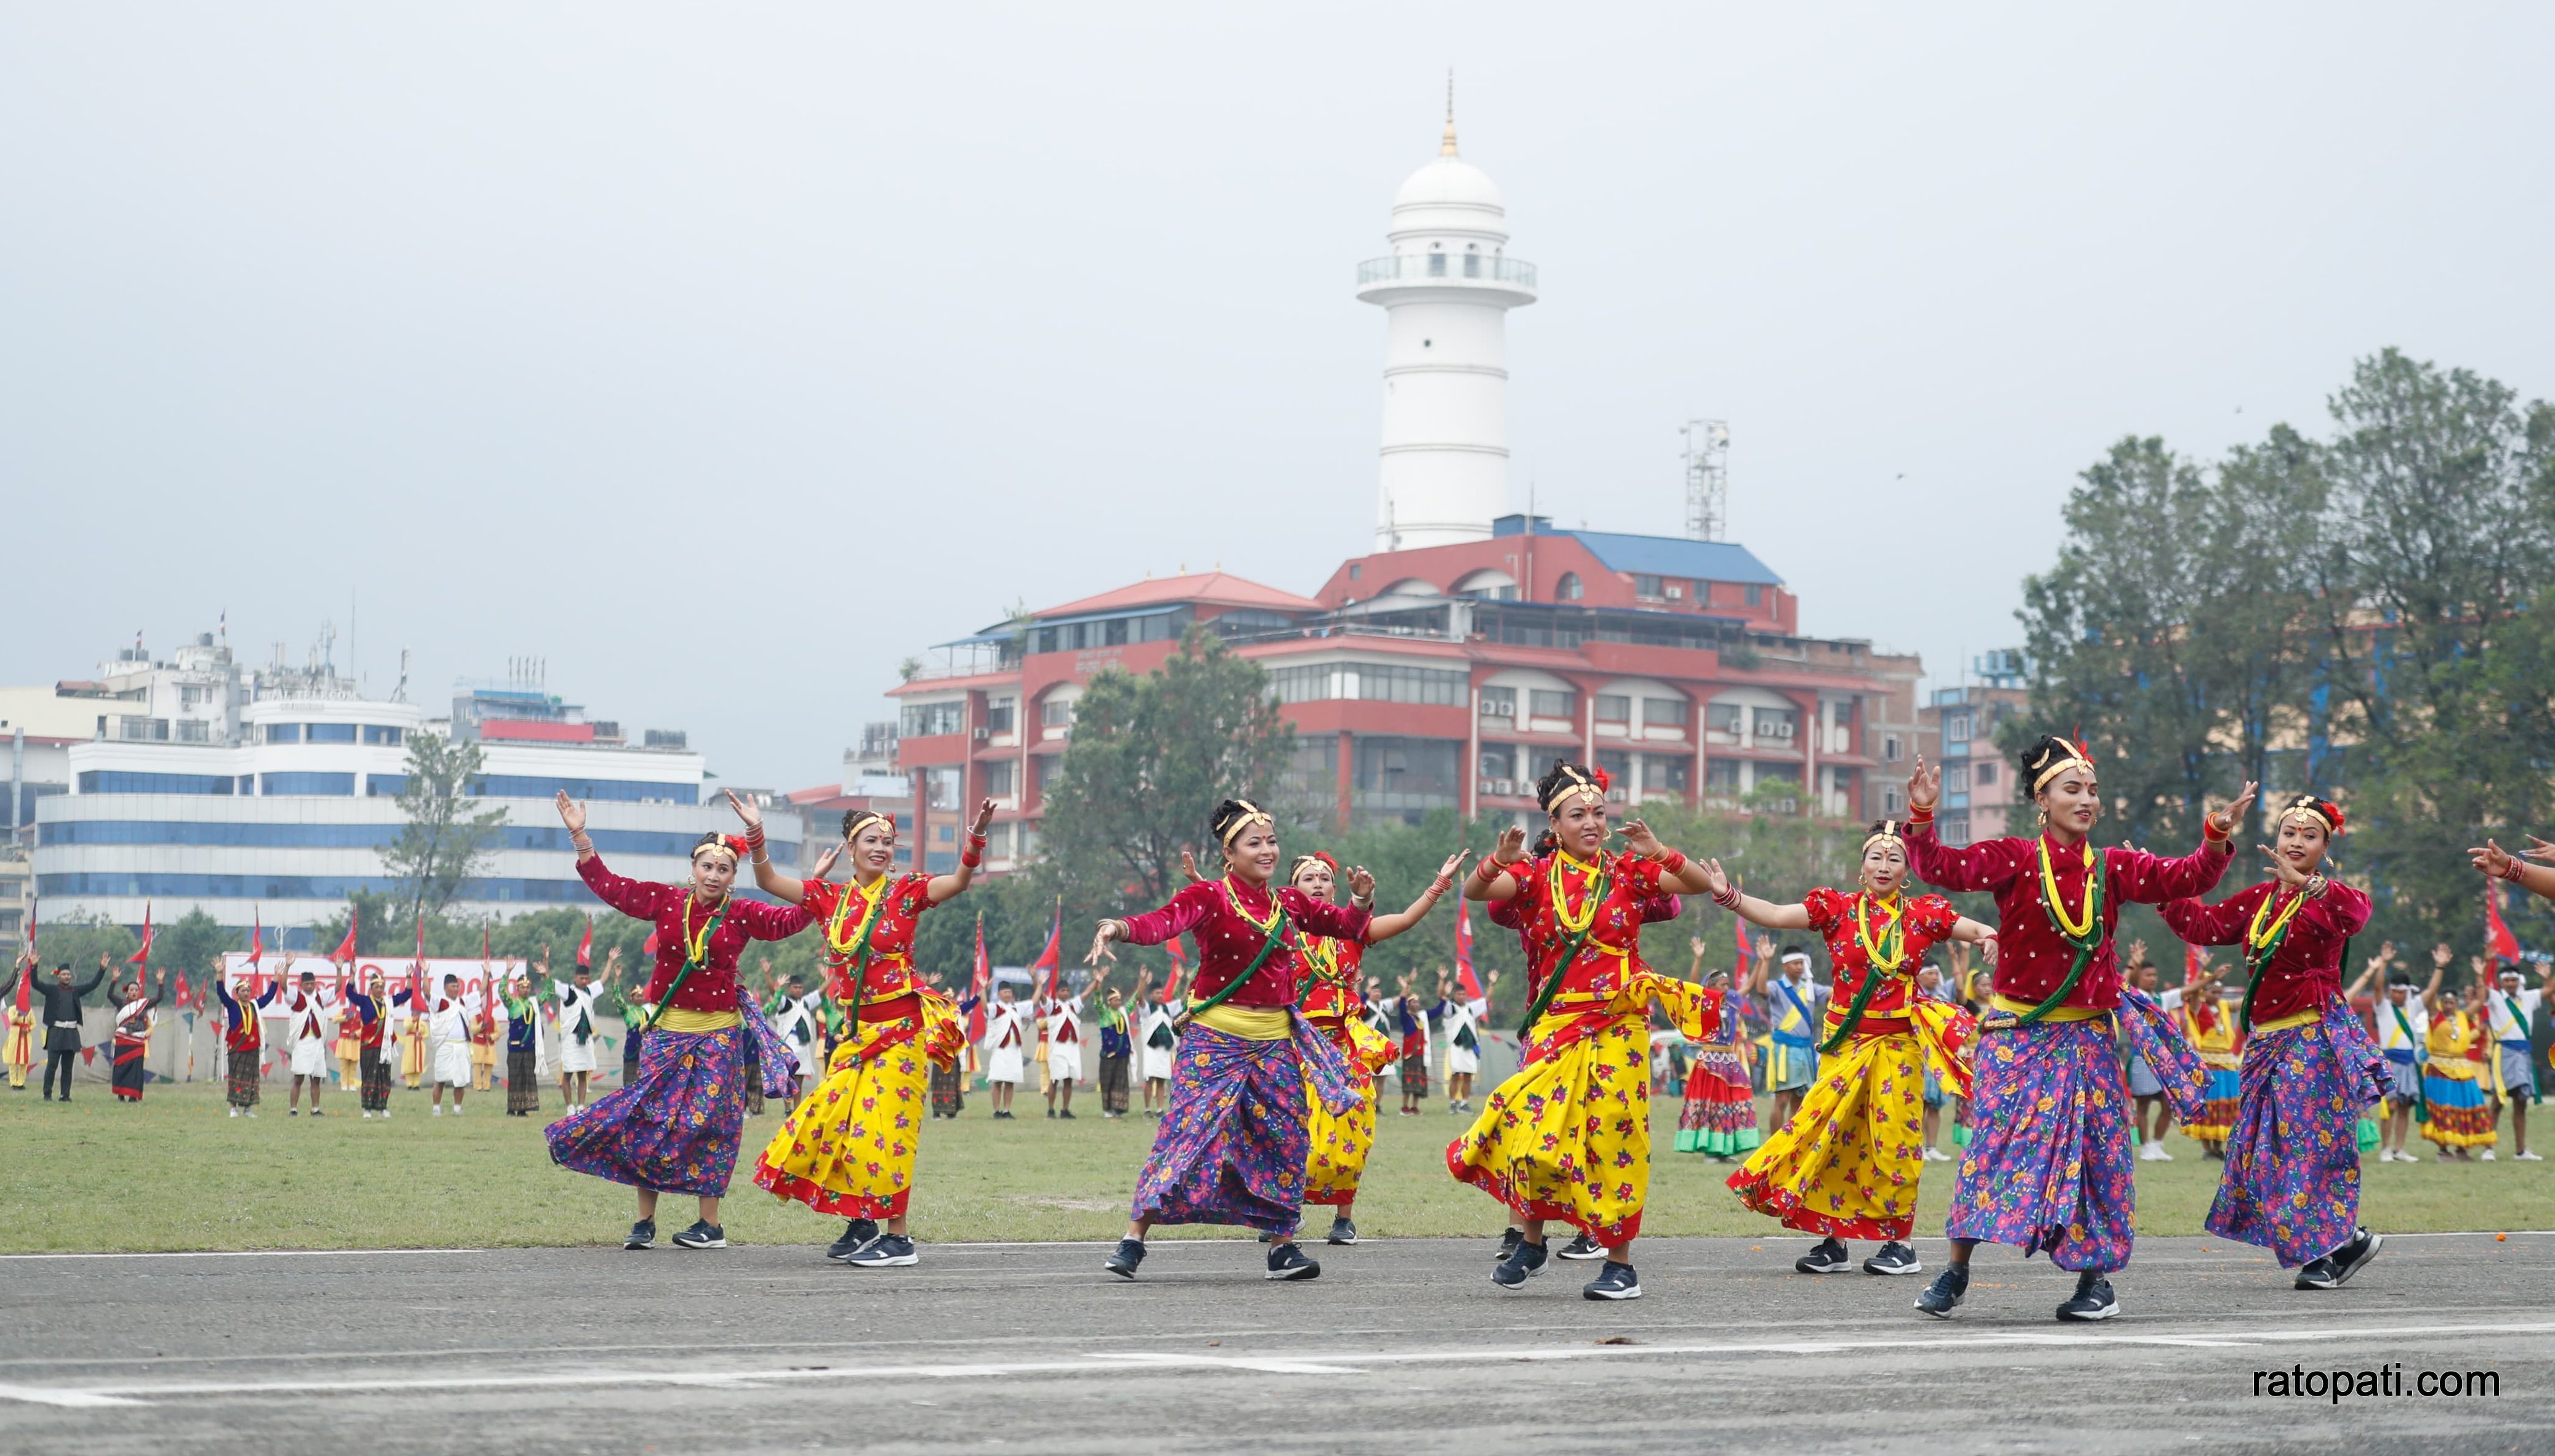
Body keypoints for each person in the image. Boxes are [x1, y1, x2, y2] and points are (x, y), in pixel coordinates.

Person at [1901, 740, 2248, 1323]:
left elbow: (2186, 876)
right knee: (1990, 1150)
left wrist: (2215, 834)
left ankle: (2095, 1283)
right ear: (2042, 798)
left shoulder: (2113, 865)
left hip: (2086, 1040)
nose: (2086, 799)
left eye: (2091, 790)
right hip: (2015, 1037)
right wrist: (1921, 816)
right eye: (2072, 789)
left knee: (2095, 1158)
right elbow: (1943, 868)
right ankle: (1954, 1271)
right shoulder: (2012, 856)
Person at [1085, 798, 1394, 1284]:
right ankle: (1132, 1239)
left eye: (1271, 840)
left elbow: (1345, 927)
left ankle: (1282, 1248)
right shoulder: (1208, 896)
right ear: (1229, 853)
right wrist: (1118, 927)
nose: (1268, 850)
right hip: (1215, 1040)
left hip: (1274, 1043)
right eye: (1256, 842)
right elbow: (1161, 922)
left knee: (1286, 1139)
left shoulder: (1288, 903)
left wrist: (1357, 899)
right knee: (1187, 1134)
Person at [1451, 762, 1725, 1302]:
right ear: (1554, 825)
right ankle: (1530, 1241)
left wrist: (1659, 848)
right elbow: (1474, 893)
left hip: (1620, 1021)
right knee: (1531, 1131)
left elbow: (1699, 884)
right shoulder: (1533, 876)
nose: (1592, 822)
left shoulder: (1627, 872)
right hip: (1556, 1022)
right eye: (1578, 814)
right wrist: (1495, 862)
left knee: (1614, 1139)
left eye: (1599, 812)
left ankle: (1619, 1265)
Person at [1708, 819, 1996, 1278]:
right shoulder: (1836, 908)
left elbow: (1977, 926)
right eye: (1876, 857)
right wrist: (1729, 895)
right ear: (1861, 865)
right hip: (1845, 1045)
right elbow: (1777, 915)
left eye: (1894, 858)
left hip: (1898, 1046)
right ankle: (1833, 1240)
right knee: (1833, 1134)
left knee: (1893, 1141)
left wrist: (1987, 937)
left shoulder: (1924, 913)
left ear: (1908, 870)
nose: (1884, 865)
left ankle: (1898, 1243)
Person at [546, 795, 810, 1252]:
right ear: (692, 868)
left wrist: (816, 888)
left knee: (714, 1124)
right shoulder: (666, 901)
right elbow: (612, 886)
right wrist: (579, 835)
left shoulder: (743, 913)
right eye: (706, 865)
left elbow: (790, 920)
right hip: (666, 1033)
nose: (713, 874)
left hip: (720, 1036)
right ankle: (644, 1222)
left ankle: (710, 1226)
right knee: (650, 1118)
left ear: (733, 877)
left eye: (723, 869)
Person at [737, 793, 988, 1268]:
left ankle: (899, 1237)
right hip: (855, 1038)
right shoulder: (827, 897)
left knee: (885, 1133)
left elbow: (957, 881)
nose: (881, 848)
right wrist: (756, 832)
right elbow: (767, 879)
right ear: (850, 848)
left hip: (903, 1031)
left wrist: (974, 839)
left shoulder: (907, 891)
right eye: (872, 840)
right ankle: (861, 1221)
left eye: (888, 842)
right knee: (835, 1126)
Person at [2158, 792, 2387, 1289]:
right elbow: (2202, 924)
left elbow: (2358, 915)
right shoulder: (2259, 900)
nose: (2296, 841)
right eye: (2289, 832)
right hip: (2263, 1043)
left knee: (2308, 1146)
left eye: (2309, 835)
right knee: (2264, 1150)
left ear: (2325, 847)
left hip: (2312, 1037)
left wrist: (2309, 885)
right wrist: (2162, 889)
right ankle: (2343, 1241)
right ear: (2276, 839)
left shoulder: (2331, 898)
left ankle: (2322, 1254)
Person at [1279, 847, 1463, 1244]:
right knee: (1295, 1131)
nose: (1317, 883)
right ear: (1291, 889)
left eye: (1324, 878)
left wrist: (1439, 882)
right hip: (1297, 1046)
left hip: (1346, 1045)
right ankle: (1287, 1209)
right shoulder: (1281, 928)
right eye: (1307, 878)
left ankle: (1344, 1219)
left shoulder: (1352, 928)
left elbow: (1406, 919)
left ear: (1334, 888)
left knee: (1353, 1130)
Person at [1674, 938, 1758, 1163]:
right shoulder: (1704, 1004)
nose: (1727, 988)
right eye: (1723, 984)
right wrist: (1698, 958)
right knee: (1711, 1105)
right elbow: (1692, 986)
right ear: (1711, 987)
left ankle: (1726, 1150)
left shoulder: (1731, 1004)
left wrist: (1762, 962)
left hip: (1729, 1060)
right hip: (1710, 1061)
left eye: (1728, 984)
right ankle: (1711, 1150)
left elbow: (1748, 987)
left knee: (1730, 1105)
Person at [2360, 946, 2443, 1161]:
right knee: (2392, 1106)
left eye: (2401, 992)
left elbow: (2432, 990)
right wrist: (2384, 964)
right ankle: (2386, 1149)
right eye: (2395, 991)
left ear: (2407, 992)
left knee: (2406, 1106)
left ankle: (2399, 1149)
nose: (2397, 995)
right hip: (2390, 1062)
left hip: (2409, 1063)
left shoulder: (2414, 1006)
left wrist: (2440, 967)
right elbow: (2378, 988)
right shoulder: (2384, 1006)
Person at [1752, 946, 1826, 1134]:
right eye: (1796, 963)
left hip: (1805, 1051)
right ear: (1785, 966)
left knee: (1800, 1101)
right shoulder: (1777, 987)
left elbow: (1833, 993)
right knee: (1782, 1099)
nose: (1800, 967)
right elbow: (1761, 989)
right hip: (1785, 1051)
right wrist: (1766, 961)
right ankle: (1775, 1145)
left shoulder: (1810, 988)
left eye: (1802, 963)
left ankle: (1792, 1145)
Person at [35, 956, 108, 1101]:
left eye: (68, 974)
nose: (66, 977)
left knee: (68, 1067)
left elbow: (92, 985)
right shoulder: (51, 990)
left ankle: (65, 1095)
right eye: (64, 974)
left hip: (71, 1033)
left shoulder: (75, 991)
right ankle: (47, 1094)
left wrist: (102, 969)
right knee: (52, 1065)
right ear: (58, 976)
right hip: (56, 1032)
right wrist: (34, 967)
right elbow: (35, 983)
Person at [214, 962, 277, 1116]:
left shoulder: (255, 1006)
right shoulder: (233, 1006)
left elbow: (268, 997)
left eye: (248, 990)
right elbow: (221, 993)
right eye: (243, 990)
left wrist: (276, 978)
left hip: (252, 1049)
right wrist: (219, 973)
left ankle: (248, 1109)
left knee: (251, 1079)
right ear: (237, 993)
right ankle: (233, 1108)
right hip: (237, 1049)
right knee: (235, 1079)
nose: (247, 993)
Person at [276, 968, 336, 1116]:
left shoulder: (320, 998)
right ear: (301, 985)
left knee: (316, 1079)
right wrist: (287, 967)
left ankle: (315, 1109)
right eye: (307, 984)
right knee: (299, 1078)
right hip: (302, 1043)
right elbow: (283, 986)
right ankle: (293, 1109)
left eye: (312, 984)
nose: (310, 987)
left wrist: (340, 969)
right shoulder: (297, 997)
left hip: (317, 1042)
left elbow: (339, 987)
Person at [342, 973, 398, 1119]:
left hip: (384, 1045)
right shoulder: (366, 1001)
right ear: (371, 988)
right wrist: (353, 975)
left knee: (384, 1076)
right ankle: (367, 1109)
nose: (380, 989)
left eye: (382, 987)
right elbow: (349, 993)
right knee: (369, 1077)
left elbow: (407, 994)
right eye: (377, 987)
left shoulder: (389, 1003)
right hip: (369, 1044)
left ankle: (383, 1108)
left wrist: (410, 977)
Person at [1442, 967, 1496, 1115]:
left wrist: (1492, 984)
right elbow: (1441, 997)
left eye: (1464, 994)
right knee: (1455, 1075)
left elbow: (1487, 1000)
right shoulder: (1450, 1008)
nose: (1462, 996)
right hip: (1457, 1045)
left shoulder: (1471, 1008)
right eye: (1459, 994)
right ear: (1455, 995)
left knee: (1468, 1075)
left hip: (1470, 1046)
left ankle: (1465, 1102)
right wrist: (1442, 981)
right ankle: (1453, 1103)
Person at [1038, 971, 1091, 1120]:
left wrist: (1097, 980)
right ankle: (1051, 1109)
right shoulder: (1052, 1006)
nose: (1066, 993)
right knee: (1055, 1080)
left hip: (1072, 1048)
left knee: (1069, 1080)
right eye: (1063, 990)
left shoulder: (1073, 1005)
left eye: (1067, 990)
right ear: (1057, 992)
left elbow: (1087, 993)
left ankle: (1065, 1109)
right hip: (1058, 1049)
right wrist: (1038, 982)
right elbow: (1041, 996)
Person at [982, 982, 1032, 1119]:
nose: (1008, 995)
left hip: (1014, 1049)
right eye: (1005, 992)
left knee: (1010, 1081)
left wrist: (1038, 982)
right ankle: (997, 1111)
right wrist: (983, 989)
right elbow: (984, 1007)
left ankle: (1006, 1110)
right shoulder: (995, 1008)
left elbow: (1035, 1002)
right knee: (998, 1081)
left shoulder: (1017, 1008)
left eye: (1010, 992)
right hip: (1000, 1049)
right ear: (999, 994)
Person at [109, 974, 163, 1103]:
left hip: (138, 1040)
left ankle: (133, 1095)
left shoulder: (144, 1005)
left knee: (136, 1069)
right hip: (123, 1040)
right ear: (127, 992)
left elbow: (159, 998)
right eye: (131, 990)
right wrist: (114, 980)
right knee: (121, 1067)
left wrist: (160, 983)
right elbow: (110, 995)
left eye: (136, 990)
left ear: (139, 992)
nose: (134, 992)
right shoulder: (122, 1004)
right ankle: (121, 1095)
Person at [426, 973, 474, 1116]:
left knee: (461, 1079)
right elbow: (427, 993)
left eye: (458, 986)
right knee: (440, 1078)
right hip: (445, 1045)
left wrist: (486, 973)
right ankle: (436, 1108)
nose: (456, 989)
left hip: (462, 1045)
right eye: (453, 986)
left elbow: (481, 993)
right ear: (446, 988)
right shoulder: (441, 1002)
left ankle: (458, 1108)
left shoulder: (462, 1003)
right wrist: (426, 973)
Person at [499, 971, 544, 1117]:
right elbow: (501, 990)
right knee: (515, 1077)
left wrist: (546, 972)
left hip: (530, 1047)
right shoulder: (512, 1003)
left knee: (527, 1077)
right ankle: (512, 1109)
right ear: (517, 988)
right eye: (522, 987)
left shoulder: (534, 1004)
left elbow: (550, 991)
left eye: (528, 987)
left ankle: (523, 1109)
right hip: (515, 1047)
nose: (525, 990)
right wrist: (507, 972)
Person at [1137, 978, 1177, 1118]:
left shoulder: (1168, 1008)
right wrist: (1142, 981)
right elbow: (1139, 998)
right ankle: (1147, 1109)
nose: (1160, 995)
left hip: (1164, 1050)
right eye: (1157, 993)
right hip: (1151, 1048)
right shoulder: (1147, 1009)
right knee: (1150, 1079)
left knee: (1162, 1080)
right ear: (1151, 995)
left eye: (1161, 993)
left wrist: (1184, 978)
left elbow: (1183, 1001)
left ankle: (1160, 1109)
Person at [1096, 978, 1135, 1119]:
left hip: (1123, 1054)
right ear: (1109, 1002)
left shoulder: (1124, 1012)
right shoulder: (1104, 1014)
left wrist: (1142, 982)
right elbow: (1097, 999)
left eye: (1119, 1000)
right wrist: (1098, 983)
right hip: (1108, 1054)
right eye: (1115, 1000)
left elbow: (1135, 999)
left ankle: (1118, 1109)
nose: (1118, 1002)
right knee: (1108, 1081)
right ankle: (1108, 1109)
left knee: (1121, 1081)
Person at [4, 952, 36, 1091]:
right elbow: (12, 1020)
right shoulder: (13, 1010)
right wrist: (18, 1014)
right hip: (14, 1036)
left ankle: (20, 1083)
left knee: (23, 1061)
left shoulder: (28, 1011)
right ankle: (13, 1082)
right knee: (12, 1061)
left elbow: (9, 985)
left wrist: (17, 966)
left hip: (24, 1037)